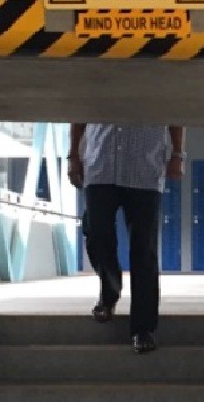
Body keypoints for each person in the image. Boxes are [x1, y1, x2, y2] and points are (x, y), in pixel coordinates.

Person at [68, 123, 185, 354]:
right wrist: (73, 156)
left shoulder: (160, 84)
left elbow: (174, 111)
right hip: (100, 164)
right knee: (96, 233)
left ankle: (143, 329)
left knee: (144, 250)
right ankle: (110, 290)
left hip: (145, 167)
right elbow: (79, 114)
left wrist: (178, 154)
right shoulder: (93, 84)